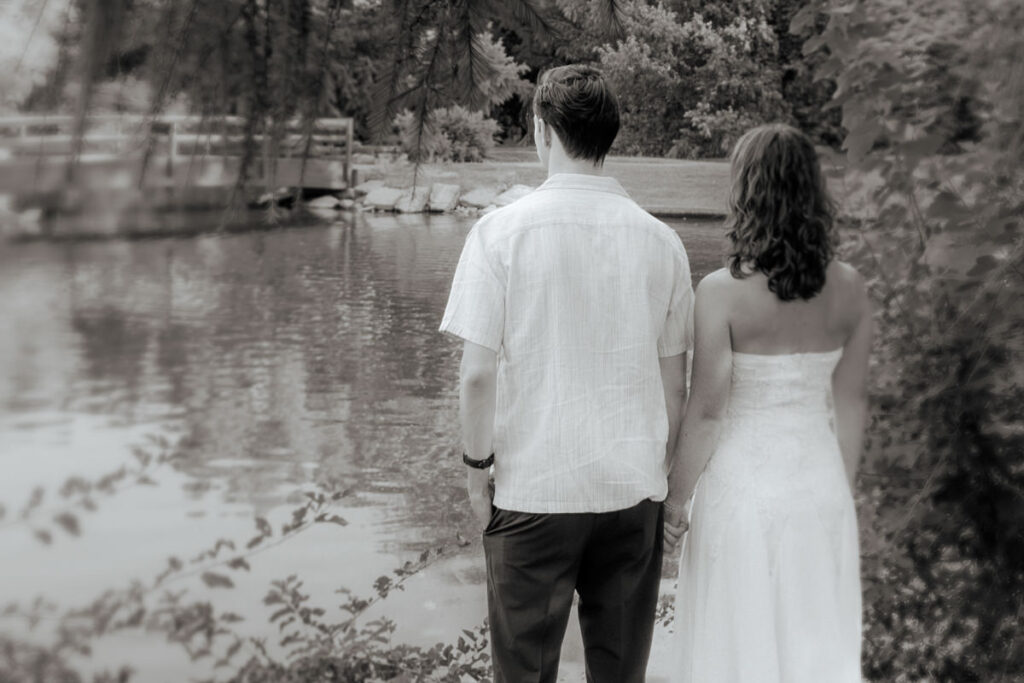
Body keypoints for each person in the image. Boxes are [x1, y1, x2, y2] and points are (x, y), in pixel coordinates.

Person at [439, 64, 694, 683]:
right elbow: (674, 385)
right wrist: (659, 474)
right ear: (607, 136)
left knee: (523, 674)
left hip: (533, 492)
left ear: (541, 131)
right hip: (632, 490)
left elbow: (478, 377)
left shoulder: (499, 234)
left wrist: (477, 475)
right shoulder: (663, 243)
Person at [663, 123, 871, 682]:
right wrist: (838, 493)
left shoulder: (720, 292)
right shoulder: (850, 288)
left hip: (742, 495)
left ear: (746, 192)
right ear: (812, 194)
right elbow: (850, 404)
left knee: (737, 648)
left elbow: (707, 411)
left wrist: (676, 502)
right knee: (814, 646)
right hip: (820, 488)